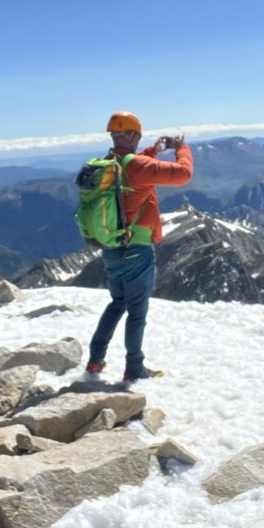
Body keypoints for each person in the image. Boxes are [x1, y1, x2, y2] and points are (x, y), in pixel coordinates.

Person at [86, 111, 193, 382]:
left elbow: (134, 165)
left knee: (117, 303)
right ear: (133, 135)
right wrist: (181, 148)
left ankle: (95, 360)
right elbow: (183, 174)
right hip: (136, 250)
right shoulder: (135, 166)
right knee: (137, 311)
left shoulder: (111, 163)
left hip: (112, 248)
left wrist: (152, 151)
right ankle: (134, 368)